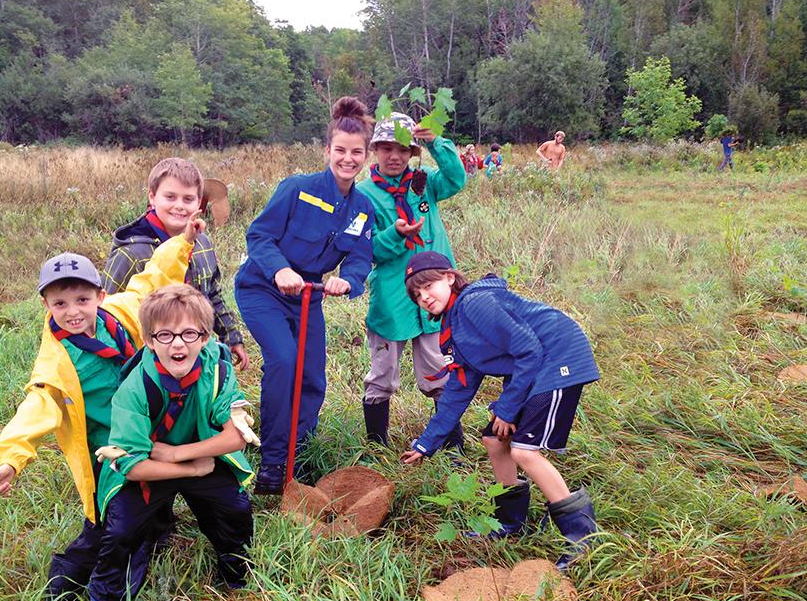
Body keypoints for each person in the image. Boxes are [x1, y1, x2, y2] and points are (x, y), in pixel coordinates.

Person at [0, 215, 203, 601]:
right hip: (107, 451)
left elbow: (152, 279)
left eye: (82, 300)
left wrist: (183, 241)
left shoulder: (120, 316)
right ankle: (63, 590)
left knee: (150, 501)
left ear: (100, 296)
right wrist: (9, 460)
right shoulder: (57, 360)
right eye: (60, 303)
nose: (73, 312)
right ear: (45, 305)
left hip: (147, 431)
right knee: (106, 525)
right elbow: (37, 407)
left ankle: (156, 533)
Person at [400, 252, 600, 571]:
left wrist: (507, 409)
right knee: (495, 440)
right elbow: (459, 390)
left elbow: (530, 350)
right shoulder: (454, 330)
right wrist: (426, 444)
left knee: (524, 451)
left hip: (558, 358)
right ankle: (510, 523)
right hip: (533, 367)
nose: (423, 296)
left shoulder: (474, 305)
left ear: (449, 278)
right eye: (416, 294)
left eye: (428, 286)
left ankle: (582, 539)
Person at [234, 97, 376, 495]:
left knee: (312, 377)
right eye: (340, 151)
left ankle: (298, 452)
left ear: (365, 156)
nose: (348, 159)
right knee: (284, 360)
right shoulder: (296, 189)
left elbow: (360, 256)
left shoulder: (363, 208)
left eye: (356, 152)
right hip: (263, 287)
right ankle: (274, 463)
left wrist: (347, 280)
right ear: (327, 150)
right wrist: (280, 269)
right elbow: (259, 236)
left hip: (309, 294)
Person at [88, 284, 256, 601]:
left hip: (196, 455)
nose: (178, 343)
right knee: (121, 531)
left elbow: (236, 436)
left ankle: (237, 573)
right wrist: (190, 469)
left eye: (189, 333)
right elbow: (133, 466)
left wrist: (176, 453)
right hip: (151, 467)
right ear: (150, 341)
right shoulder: (134, 389)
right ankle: (107, 595)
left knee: (235, 509)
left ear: (205, 337)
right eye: (165, 335)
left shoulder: (218, 368)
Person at [358, 111, 467, 450]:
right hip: (393, 299)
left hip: (435, 297)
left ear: (412, 153)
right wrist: (395, 234)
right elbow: (366, 250)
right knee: (382, 376)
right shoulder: (363, 195)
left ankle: (453, 448)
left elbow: (457, 179)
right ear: (375, 149)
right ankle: (377, 449)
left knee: (438, 372)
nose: (395, 156)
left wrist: (436, 142)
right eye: (387, 148)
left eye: (403, 149)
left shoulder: (426, 182)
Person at [101, 158, 249, 371]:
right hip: (145, 362)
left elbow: (212, 294)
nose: (179, 206)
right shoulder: (132, 253)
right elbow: (107, 311)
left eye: (188, 199)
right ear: (152, 197)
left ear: (199, 202)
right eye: (170, 197)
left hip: (193, 353)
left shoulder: (203, 244)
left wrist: (231, 336)